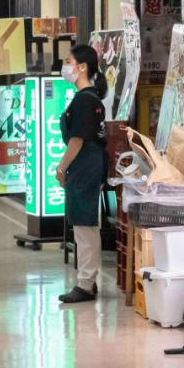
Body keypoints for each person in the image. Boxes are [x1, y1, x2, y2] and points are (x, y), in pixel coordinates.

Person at [56, 44, 110, 305]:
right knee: (84, 225)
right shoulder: (90, 98)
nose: (65, 67)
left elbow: (77, 140)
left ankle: (86, 283)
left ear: (82, 67)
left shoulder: (84, 99)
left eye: (69, 62)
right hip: (89, 164)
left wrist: (61, 167)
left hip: (84, 164)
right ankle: (88, 280)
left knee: (85, 226)